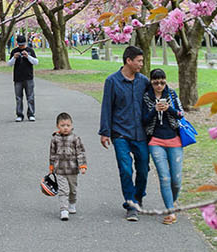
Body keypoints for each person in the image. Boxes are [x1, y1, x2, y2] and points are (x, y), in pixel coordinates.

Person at [99, 44, 150, 221]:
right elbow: (106, 107)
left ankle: (138, 196)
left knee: (143, 169)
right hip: (120, 133)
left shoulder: (144, 81)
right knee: (126, 169)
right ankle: (131, 205)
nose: (141, 64)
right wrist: (105, 132)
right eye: (139, 61)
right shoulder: (112, 81)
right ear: (128, 61)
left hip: (141, 133)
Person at [142, 68, 185, 225]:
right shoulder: (146, 97)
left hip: (174, 140)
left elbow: (181, 114)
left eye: (162, 82)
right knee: (164, 177)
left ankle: (171, 202)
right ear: (151, 82)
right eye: (156, 83)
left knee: (176, 180)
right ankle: (170, 211)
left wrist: (169, 109)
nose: (159, 86)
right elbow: (144, 120)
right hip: (156, 141)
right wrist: (155, 110)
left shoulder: (171, 94)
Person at [48, 112, 87, 220]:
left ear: (72, 125)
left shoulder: (75, 138)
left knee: (72, 190)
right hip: (60, 170)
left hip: (73, 169)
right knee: (63, 190)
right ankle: (64, 210)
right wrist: (51, 166)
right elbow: (52, 154)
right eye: (62, 125)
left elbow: (80, 153)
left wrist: (82, 165)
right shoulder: (55, 139)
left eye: (68, 125)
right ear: (58, 126)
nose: (65, 128)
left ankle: (72, 203)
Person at [9, 34, 38, 122]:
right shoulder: (14, 51)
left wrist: (28, 56)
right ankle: (19, 114)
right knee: (18, 97)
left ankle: (31, 114)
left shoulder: (30, 50)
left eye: (22, 45)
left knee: (30, 97)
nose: (21, 47)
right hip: (18, 78)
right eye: (20, 45)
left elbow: (36, 62)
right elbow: (9, 64)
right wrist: (14, 58)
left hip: (28, 77)